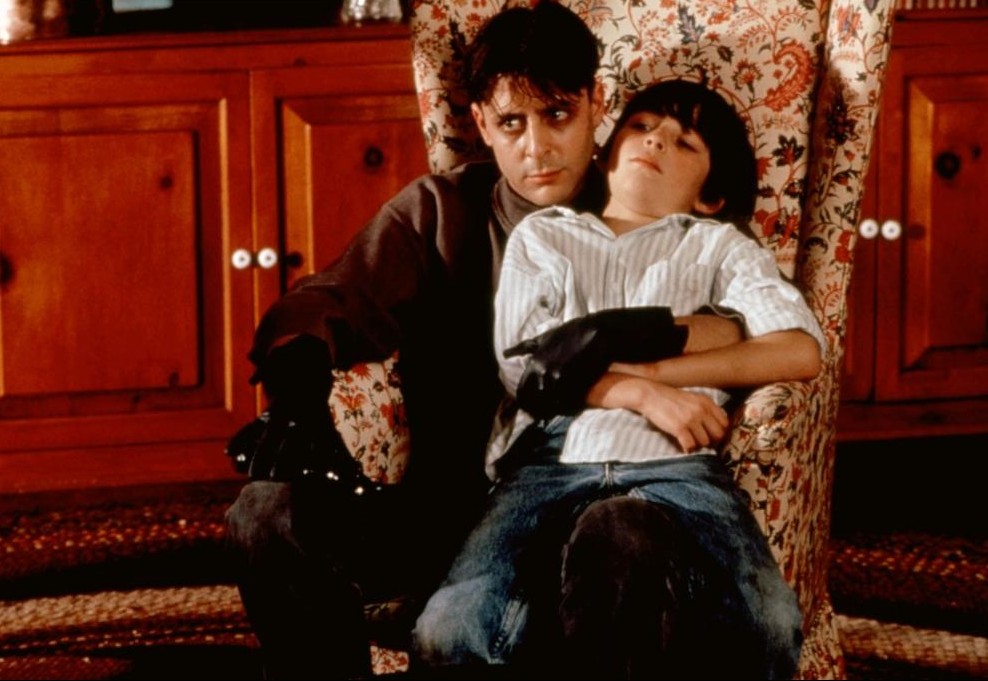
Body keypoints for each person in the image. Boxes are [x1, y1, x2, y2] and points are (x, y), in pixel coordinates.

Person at [223, 3, 745, 679]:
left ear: (596, 103)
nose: (537, 147)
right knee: (264, 512)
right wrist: (297, 396)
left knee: (618, 536)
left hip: (591, 524)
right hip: (444, 518)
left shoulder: (647, 202)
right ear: (480, 123)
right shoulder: (441, 212)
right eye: (511, 123)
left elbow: (741, 314)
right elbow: (329, 301)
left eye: (557, 114)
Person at [411, 79, 826, 680]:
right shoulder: (545, 235)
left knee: (765, 626)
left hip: (676, 463)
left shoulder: (718, 245)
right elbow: (524, 365)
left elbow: (797, 349)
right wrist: (639, 392)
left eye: (684, 143)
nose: (656, 140)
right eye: (642, 126)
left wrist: (657, 374)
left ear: (710, 196)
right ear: (607, 153)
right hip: (549, 462)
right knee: (451, 632)